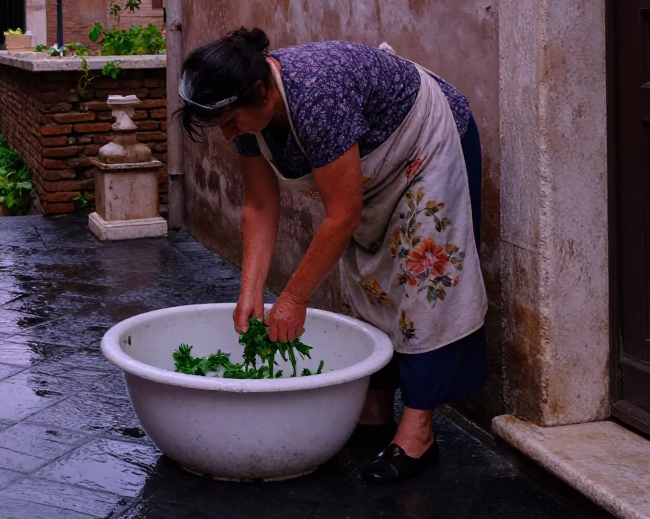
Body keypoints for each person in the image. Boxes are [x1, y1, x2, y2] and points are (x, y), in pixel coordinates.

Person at [178, 28, 488, 484]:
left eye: (230, 119)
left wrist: (293, 297)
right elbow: (260, 206)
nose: (227, 132)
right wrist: (250, 293)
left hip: (428, 146)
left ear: (261, 91)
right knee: (373, 286)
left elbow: (342, 215)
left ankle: (419, 434)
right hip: (375, 175)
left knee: (425, 288)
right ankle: (375, 411)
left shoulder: (317, 97)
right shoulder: (248, 113)